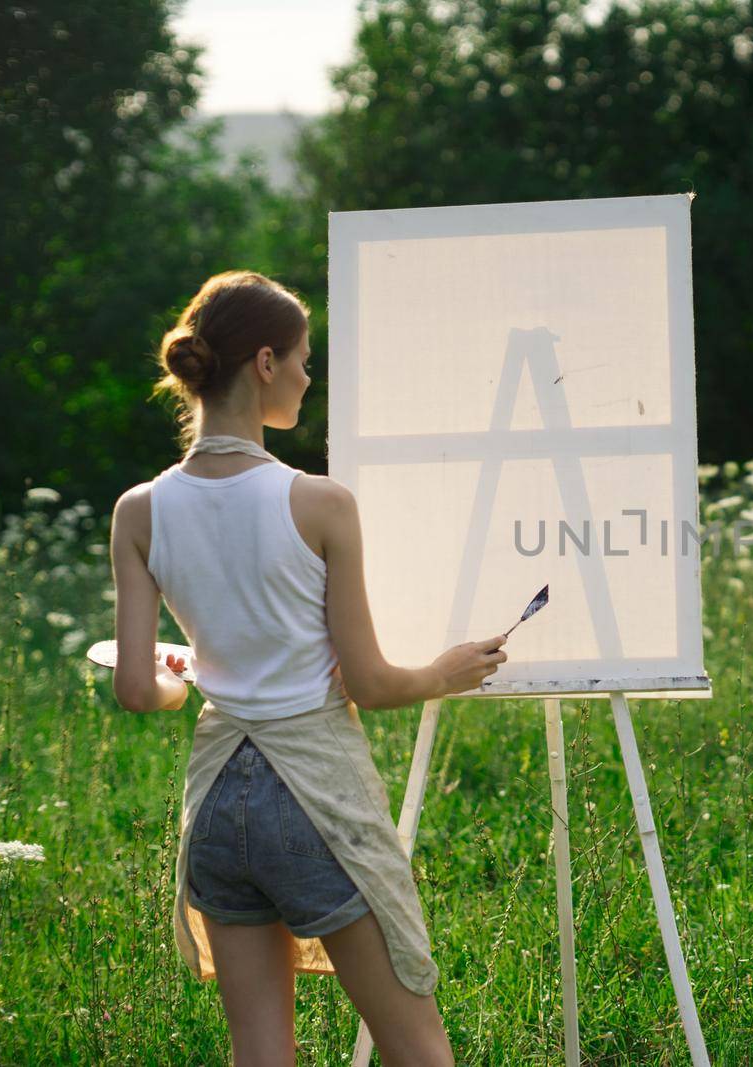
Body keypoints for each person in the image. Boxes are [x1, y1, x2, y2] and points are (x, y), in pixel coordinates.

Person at [107, 269, 508, 1066]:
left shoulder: (139, 510)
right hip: (315, 795)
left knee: (260, 1051)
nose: (306, 376)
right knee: (418, 1048)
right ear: (263, 363)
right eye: (301, 359)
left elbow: (135, 689)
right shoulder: (320, 503)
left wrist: (177, 678)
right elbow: (370, 685)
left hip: (216, 799)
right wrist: (447, 670)